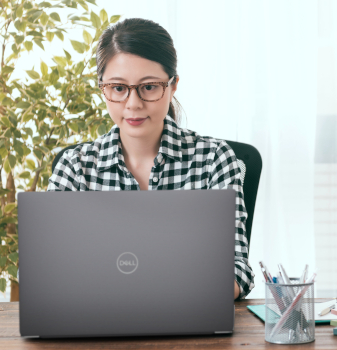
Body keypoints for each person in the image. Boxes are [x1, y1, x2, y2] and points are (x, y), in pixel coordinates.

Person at [47, 18, 254, 300]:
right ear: (103, 88)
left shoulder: (214, 160)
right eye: (118, 88)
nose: (133, 104)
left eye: (149, 87)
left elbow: (237, 270)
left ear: (173, 85)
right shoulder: (74, 167)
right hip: (98, 322)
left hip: (190, 319)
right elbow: (52, 271)